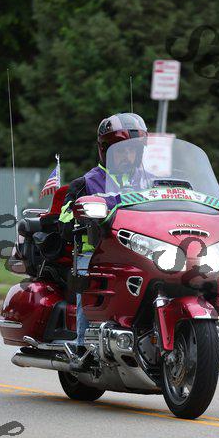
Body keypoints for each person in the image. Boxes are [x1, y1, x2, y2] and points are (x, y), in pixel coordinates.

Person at [59, 112, 149, 361]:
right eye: (121, 151)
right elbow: (64, 222)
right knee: (88, 281)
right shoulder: (86, 183)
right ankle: (83, 349)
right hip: (96, 253)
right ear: (105, 150)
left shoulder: (151, 183)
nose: (127, 156)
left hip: (140, 251)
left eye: (132, 150)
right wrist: (82, 215)